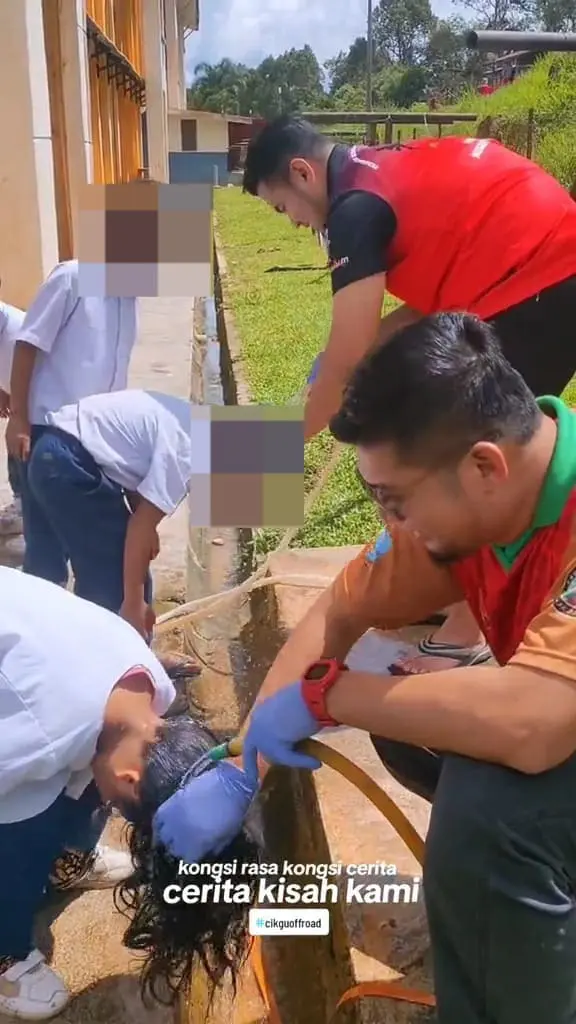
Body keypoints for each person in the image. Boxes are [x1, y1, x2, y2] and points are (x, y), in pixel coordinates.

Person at [155, 313, 576, 1024]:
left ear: (483, 466)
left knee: (496, 812)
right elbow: (335, 616)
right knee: (412, 721)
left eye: (395, 501)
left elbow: (537, 724)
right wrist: (241, 764)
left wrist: (332, 697)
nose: (391, 526)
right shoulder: (469, 517)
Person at [242, 115, 576, 674]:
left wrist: (273, 446)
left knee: (458, 456)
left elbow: (348, 358)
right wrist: (345, 360)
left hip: (540, 274)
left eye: (283, 209)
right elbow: (409, 314)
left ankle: (467, 632)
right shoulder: (377, 171)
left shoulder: (353, 212)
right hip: (534, 266)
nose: (294, 223)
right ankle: (448, 590)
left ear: (302, 173)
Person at [0, 567, 259, 1020]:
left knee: (88, 772)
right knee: (21, 820)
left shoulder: (150, 689)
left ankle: (65, 860)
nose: (112, 810)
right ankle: (5, 955)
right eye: (125, 810)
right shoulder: (33, 741)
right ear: (133, 780)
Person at [6, 259, 138, 586]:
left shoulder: (129, 298)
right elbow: (27, 343)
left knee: (83, 550)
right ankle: (44, 626)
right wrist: (19, 417)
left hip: (96, 437)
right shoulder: (74, 277)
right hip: (49, 433)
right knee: (47, 552)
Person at [23, 388, 191, 638]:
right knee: (117, 588)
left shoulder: (194, 423)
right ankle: (118, 666)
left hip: (52, 451)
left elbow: (135, 472)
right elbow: (139, 528)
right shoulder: (190, 452)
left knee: (111, 575)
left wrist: (147, 523)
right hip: (67, 463)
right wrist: (133, 604)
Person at [0, 298, 25, 539]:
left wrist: (20, 414)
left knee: (20, 444)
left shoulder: (18, 331)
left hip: (42, 404)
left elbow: (36, 374)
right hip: (18, 394)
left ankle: (26, 508)